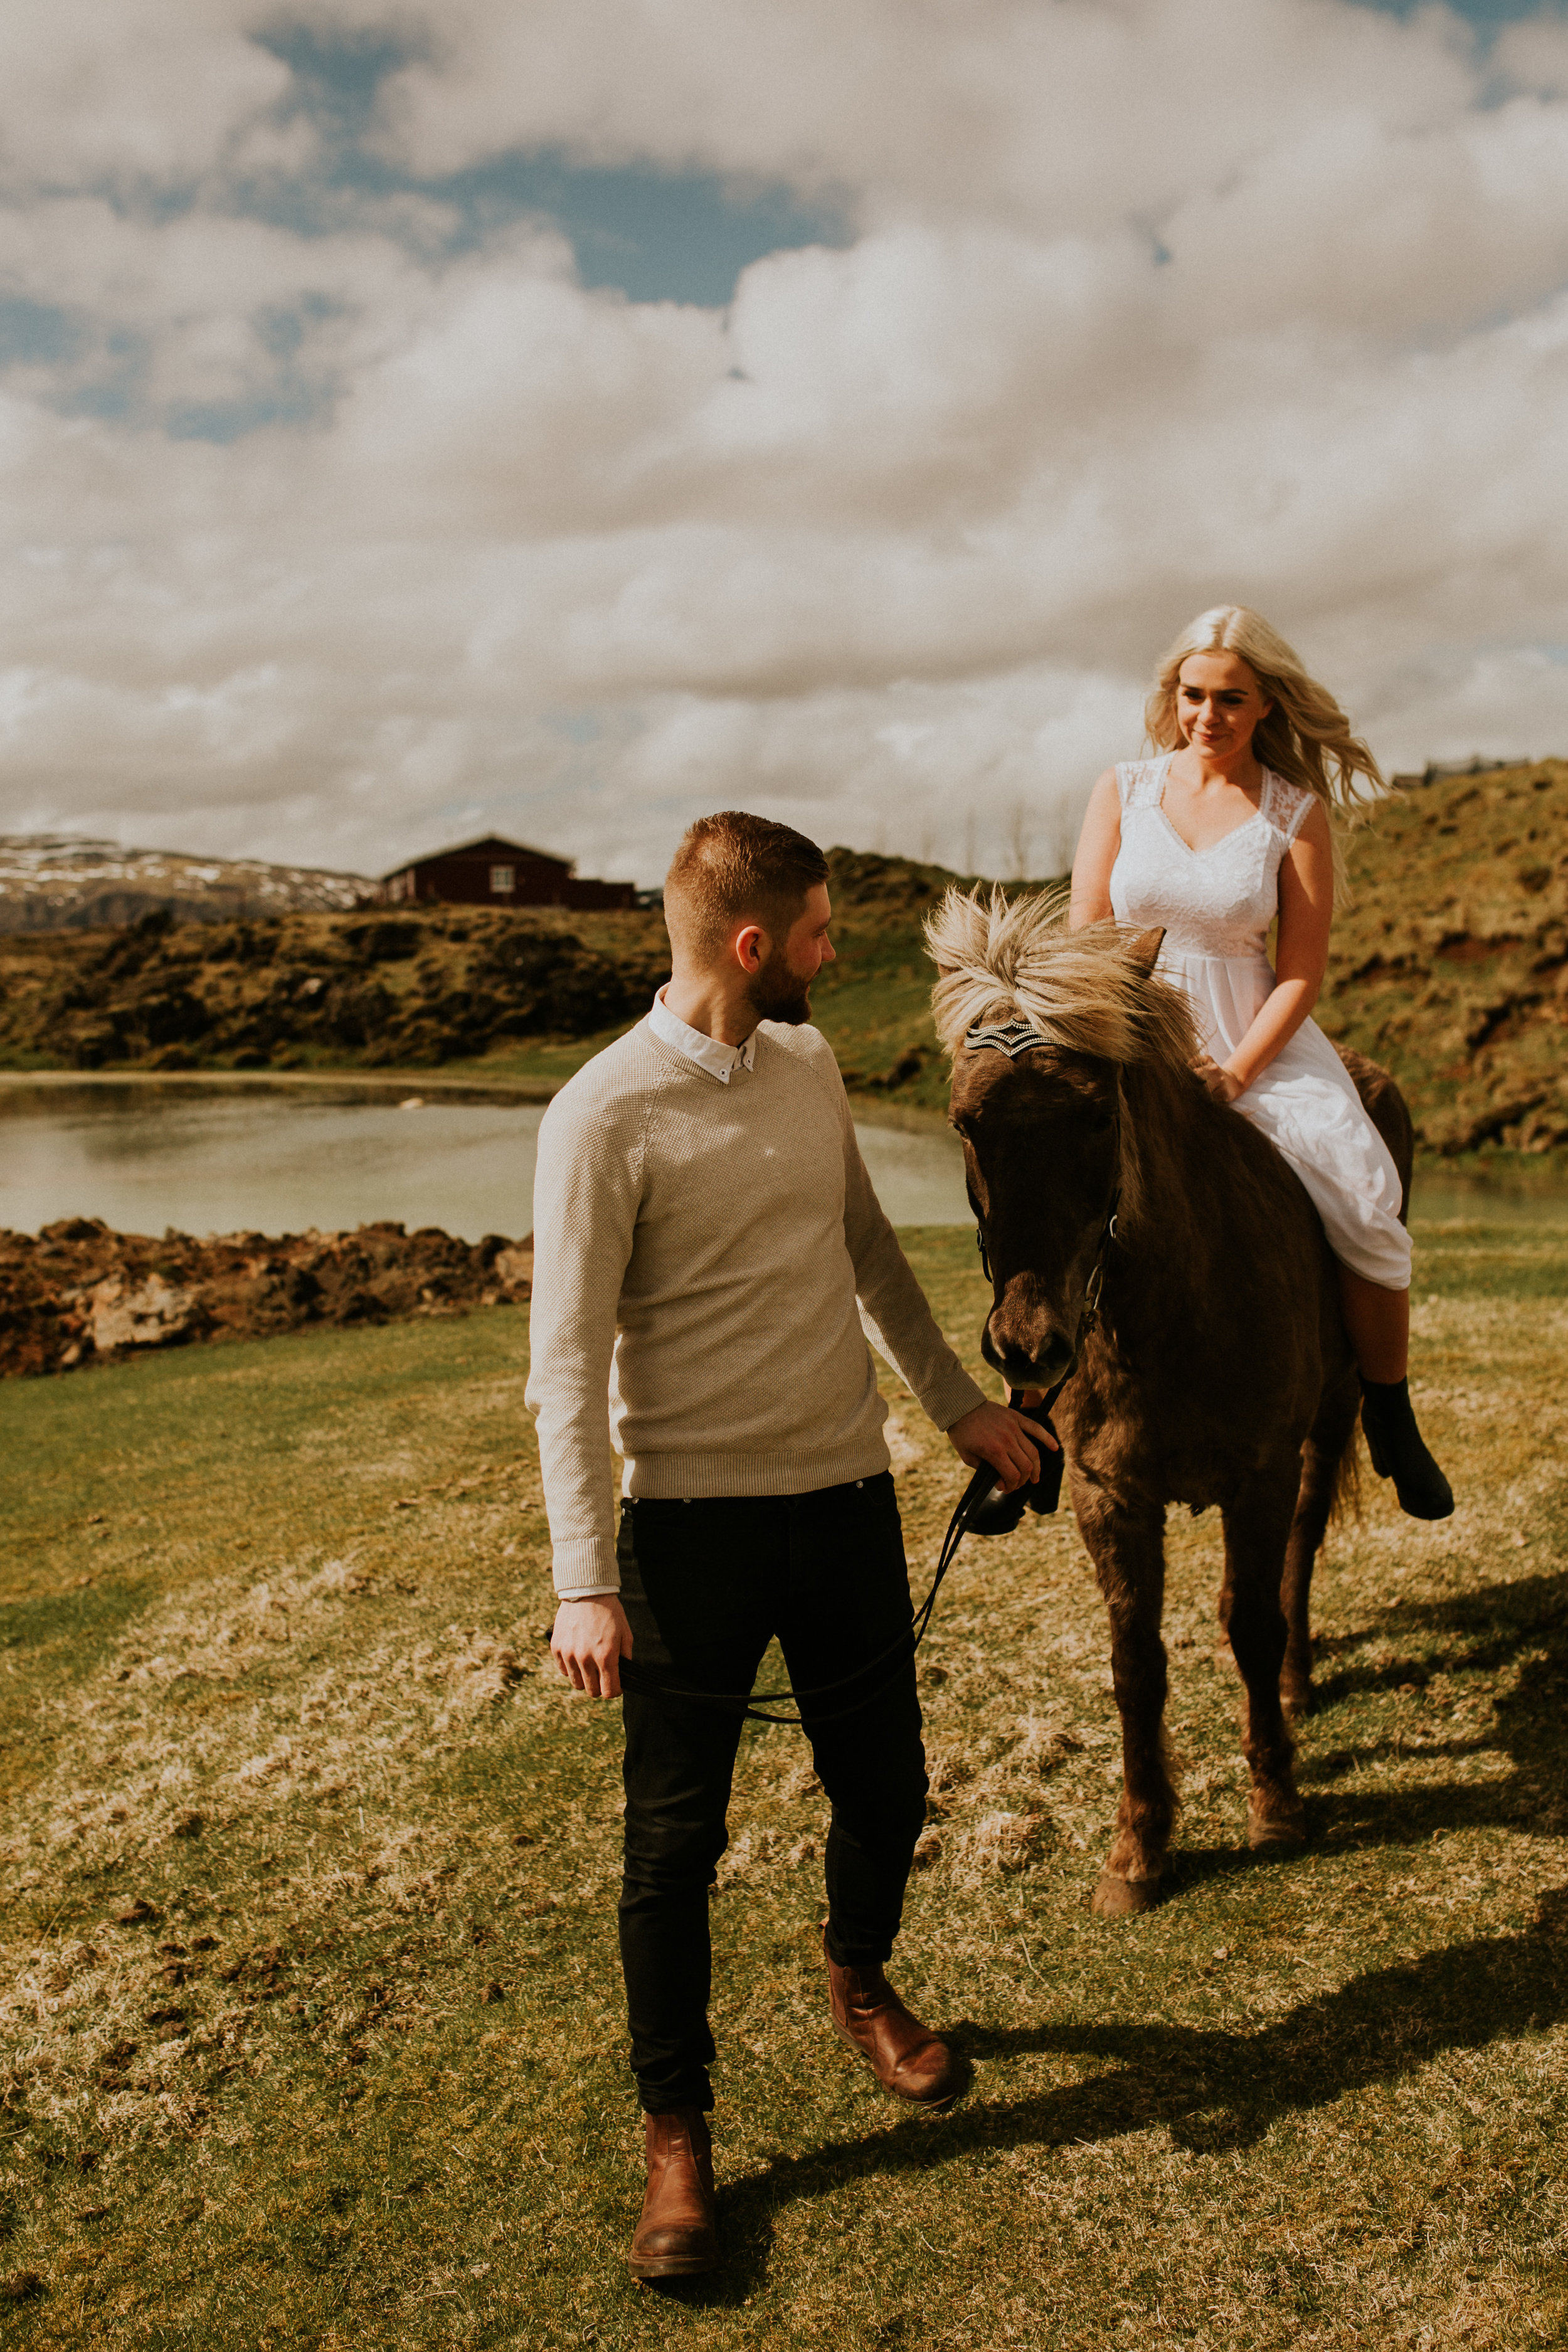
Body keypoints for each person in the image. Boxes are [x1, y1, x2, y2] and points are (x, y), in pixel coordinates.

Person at [526, 809, 1050, 2282]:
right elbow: (562, 1369)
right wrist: (583, 1579)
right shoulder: (601, 1116)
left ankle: (856, 1975)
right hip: (682, 1536)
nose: (838, 953)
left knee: (886, 1783)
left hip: (841, 1502)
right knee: (671, 1848)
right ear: (752, 946)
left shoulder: (809, 1065)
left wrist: (956, 1410)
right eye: (822, 933)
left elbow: (865, 1254)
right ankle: (678, 2140)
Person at [1067, 603, 1452, 1520]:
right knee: (1050, 1181)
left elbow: (1300, 973)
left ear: (1268, 704)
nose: (1209, 715)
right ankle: (1035, 1424)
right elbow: (1088, 936)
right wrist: (1139, 1043)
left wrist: (1236, 1071)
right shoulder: (1121, 790)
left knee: (1363, 1190)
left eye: (1231, 699)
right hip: (1131, 1027)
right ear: (1174, 697)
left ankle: (1389, 1411)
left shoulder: (1296, 813)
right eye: (1193, 695)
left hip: (1257, 1034)